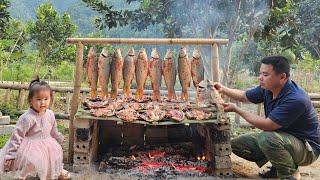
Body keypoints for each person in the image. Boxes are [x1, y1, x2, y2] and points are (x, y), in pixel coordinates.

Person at [214, 56, 320, 179]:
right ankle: (277, 167)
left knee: (267, 138)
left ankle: (289, 174)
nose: (260, 78)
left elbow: (268, 125)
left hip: (307, 149)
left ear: (282, 77)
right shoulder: (268, 89)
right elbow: (244, 96)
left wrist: (237, 109)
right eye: (260, 74)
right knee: (236, 145)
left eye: (265, 74)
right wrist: (223, 89)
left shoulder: (296, 99)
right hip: (281, 138)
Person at [0, 77, 70, 179]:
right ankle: (22, 176)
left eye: (46, 99)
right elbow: (17, 136)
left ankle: (53, 174)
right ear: (30, 100)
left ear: (50, 99)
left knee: (52, 157)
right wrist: (11, 154)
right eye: (38, 99)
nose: (42, 102)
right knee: (33, 161)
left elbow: (53, 130)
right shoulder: (27, 118)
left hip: (47, 143)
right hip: (30, 145)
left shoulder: (50, 114)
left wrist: (59, 138)